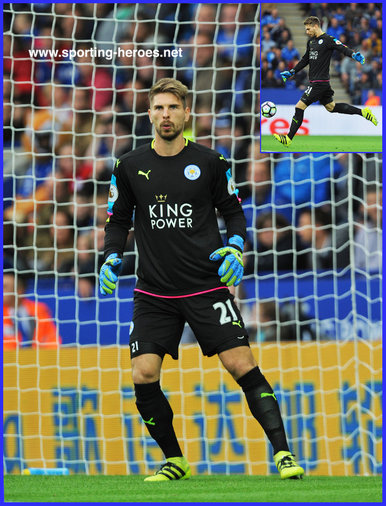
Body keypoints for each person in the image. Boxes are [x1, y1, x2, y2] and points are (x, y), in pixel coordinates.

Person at [99, 78, 304, 482]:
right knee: (142, 372)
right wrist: (109, 257)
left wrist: (235, 247)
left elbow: (234, 213)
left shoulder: (211, 162)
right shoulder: (128, 166)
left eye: (173, 108)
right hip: (154, 291)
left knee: (241, 364)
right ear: (149, 114)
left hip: (207, 285)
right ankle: (175, 459)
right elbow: (117, 220)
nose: (166, 115)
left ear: (186, 112)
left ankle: (283, 454)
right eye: (158, 108)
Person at [273, 16, 378, 147]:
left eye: (308, 29)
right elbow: (305, 60)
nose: (307, 32)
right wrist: (292, 71)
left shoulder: (328, 40)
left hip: (319, 83)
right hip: (320, 83)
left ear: (315, 26)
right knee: (331, 107)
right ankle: (363, 112)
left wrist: (353, 54)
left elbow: (342, 47)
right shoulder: (310, 42)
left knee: (299, 107)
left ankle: (288, 139)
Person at [3, 271, 61, 349]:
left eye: (4, 287)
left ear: (19, 291)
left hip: (38, 358)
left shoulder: (39, 310)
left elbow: (52, 339)